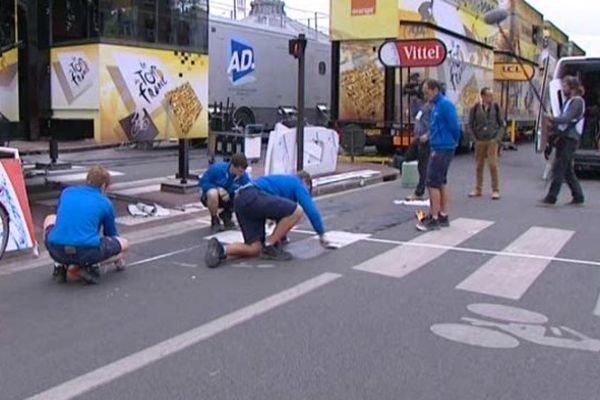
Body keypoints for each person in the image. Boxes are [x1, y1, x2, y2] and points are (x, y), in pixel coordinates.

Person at [205, 171, 329, 268]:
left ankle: (221, 250)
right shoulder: (297, 183)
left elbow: (280, 215)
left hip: (241, 200)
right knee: (298, 211)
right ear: (305, 182)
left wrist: (281, 237)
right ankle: (269, 247)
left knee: (255, 248)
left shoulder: (282, 183)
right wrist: (321, 234)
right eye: (308, 190)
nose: (307, 193)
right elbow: (310, 210)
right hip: (252, 195)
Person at [43, 165, 129, 284]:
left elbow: (62, 219)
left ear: (87, 180)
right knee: (124, 244)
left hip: (56, 249)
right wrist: (118, 261)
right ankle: (87, 267)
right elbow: (111, 234)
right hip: (86, 251)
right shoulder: (104, 202)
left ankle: (59, 265)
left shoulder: (67, 192)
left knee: (50, 218)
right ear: (104, 186)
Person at [416, 79, 461, 232]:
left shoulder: (445, 105)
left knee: (432, 182)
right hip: (439, 144)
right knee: (441, 181)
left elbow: (454, 125)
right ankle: (443, 214)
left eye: (427, 92)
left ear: (435, 90)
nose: (425, 95)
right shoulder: (436, 106)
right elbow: (437, 126)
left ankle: (434, 218)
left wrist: (453, 141)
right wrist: (428, 136)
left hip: (443, 147)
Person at [540, 75, 586, 206]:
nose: (563, 89)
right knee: (567, 170)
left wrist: (552, 119)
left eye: (565, 86)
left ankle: (551, 197)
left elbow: (567, 118)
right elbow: (564, 121)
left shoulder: (577, 102)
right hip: (565, 137)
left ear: (572, 88)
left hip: (570, 139)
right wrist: (554, 124)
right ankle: (578, 196)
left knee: (559, 167)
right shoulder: (570, 101)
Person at [467, 87, 506, 200]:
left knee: (493, 165)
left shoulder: (496, 107)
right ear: (483, 96)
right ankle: (478, 189)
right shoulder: (475, 108)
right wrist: (474, 139)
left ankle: (495, 190)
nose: (491, 97)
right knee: (479, 166)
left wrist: (497, 139)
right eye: (488, 95)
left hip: (492, 140)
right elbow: (470, 124)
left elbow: (502, 125)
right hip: (480, 140)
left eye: (491, 95)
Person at [200, 153, 251, 232]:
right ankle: (214, 219)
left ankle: (226, 214)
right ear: (233, 166)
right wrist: (217, 188)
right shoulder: (216, 168)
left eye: (243, 171)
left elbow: (249, 187)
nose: (241, 174)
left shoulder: (243, 175)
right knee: (212, 193)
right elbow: (203, 182)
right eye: (240, 171)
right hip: (213, 196)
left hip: (229, 197)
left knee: (243, 194)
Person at [404, 88, 432, 201]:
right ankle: (425, 188)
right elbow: (413, 114)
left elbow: (436, 124)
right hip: (418, 138)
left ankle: (420, 192)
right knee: (408, 157)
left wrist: (428, 135)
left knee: (423, 166)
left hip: (426, 139)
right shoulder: (422, 106)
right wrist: (413, 101)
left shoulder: (432, 107)